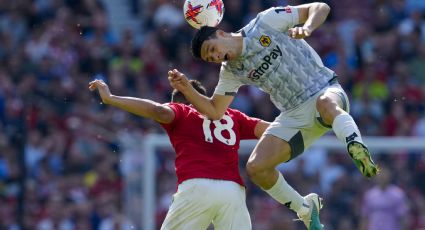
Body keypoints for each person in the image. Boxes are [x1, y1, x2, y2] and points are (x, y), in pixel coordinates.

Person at [168, 2, 378, 229]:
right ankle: (305, 208)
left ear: (220, 33)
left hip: (324, 88)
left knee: (326, 104)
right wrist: (187, 89)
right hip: (293, 115)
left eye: (212, 49)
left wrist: (307, 27)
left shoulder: (266, 21)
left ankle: (355, 146)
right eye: (211, 59)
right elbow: (216, 110)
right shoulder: (231, 71)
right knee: (256, 168)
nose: (217, 57)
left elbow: (321, 7)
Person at [88, 79, 273, 230]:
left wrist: (111, 98)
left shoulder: (182, 111)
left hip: (197, 187)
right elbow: (272, 130)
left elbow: (157, 110)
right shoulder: (233, 116)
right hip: (233, 192)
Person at [360, 165, 409, 230]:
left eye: (384, 173)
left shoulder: (398, 194)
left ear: (389, 175)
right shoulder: (369, 195)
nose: (382, 176)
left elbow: (403, 218)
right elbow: (365, 217)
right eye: (380, 174)